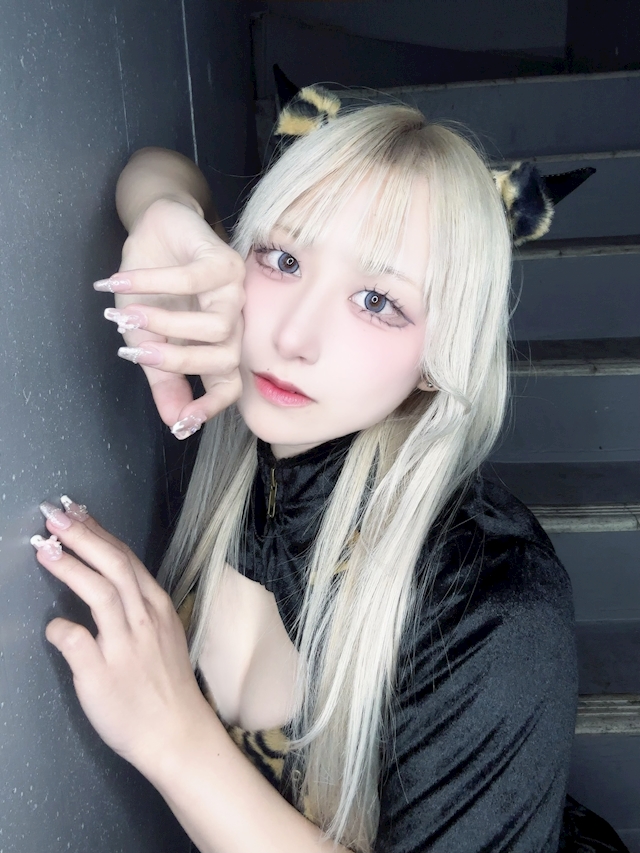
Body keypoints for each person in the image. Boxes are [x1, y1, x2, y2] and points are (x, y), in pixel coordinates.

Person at [30, 104, 628, 852]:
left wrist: (174, 739)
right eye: (283, 259)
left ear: (441, 355)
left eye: (378, 302)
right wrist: (162, 213)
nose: (293, 337)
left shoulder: (492, 597)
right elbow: (151, 169)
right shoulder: (228, 413)